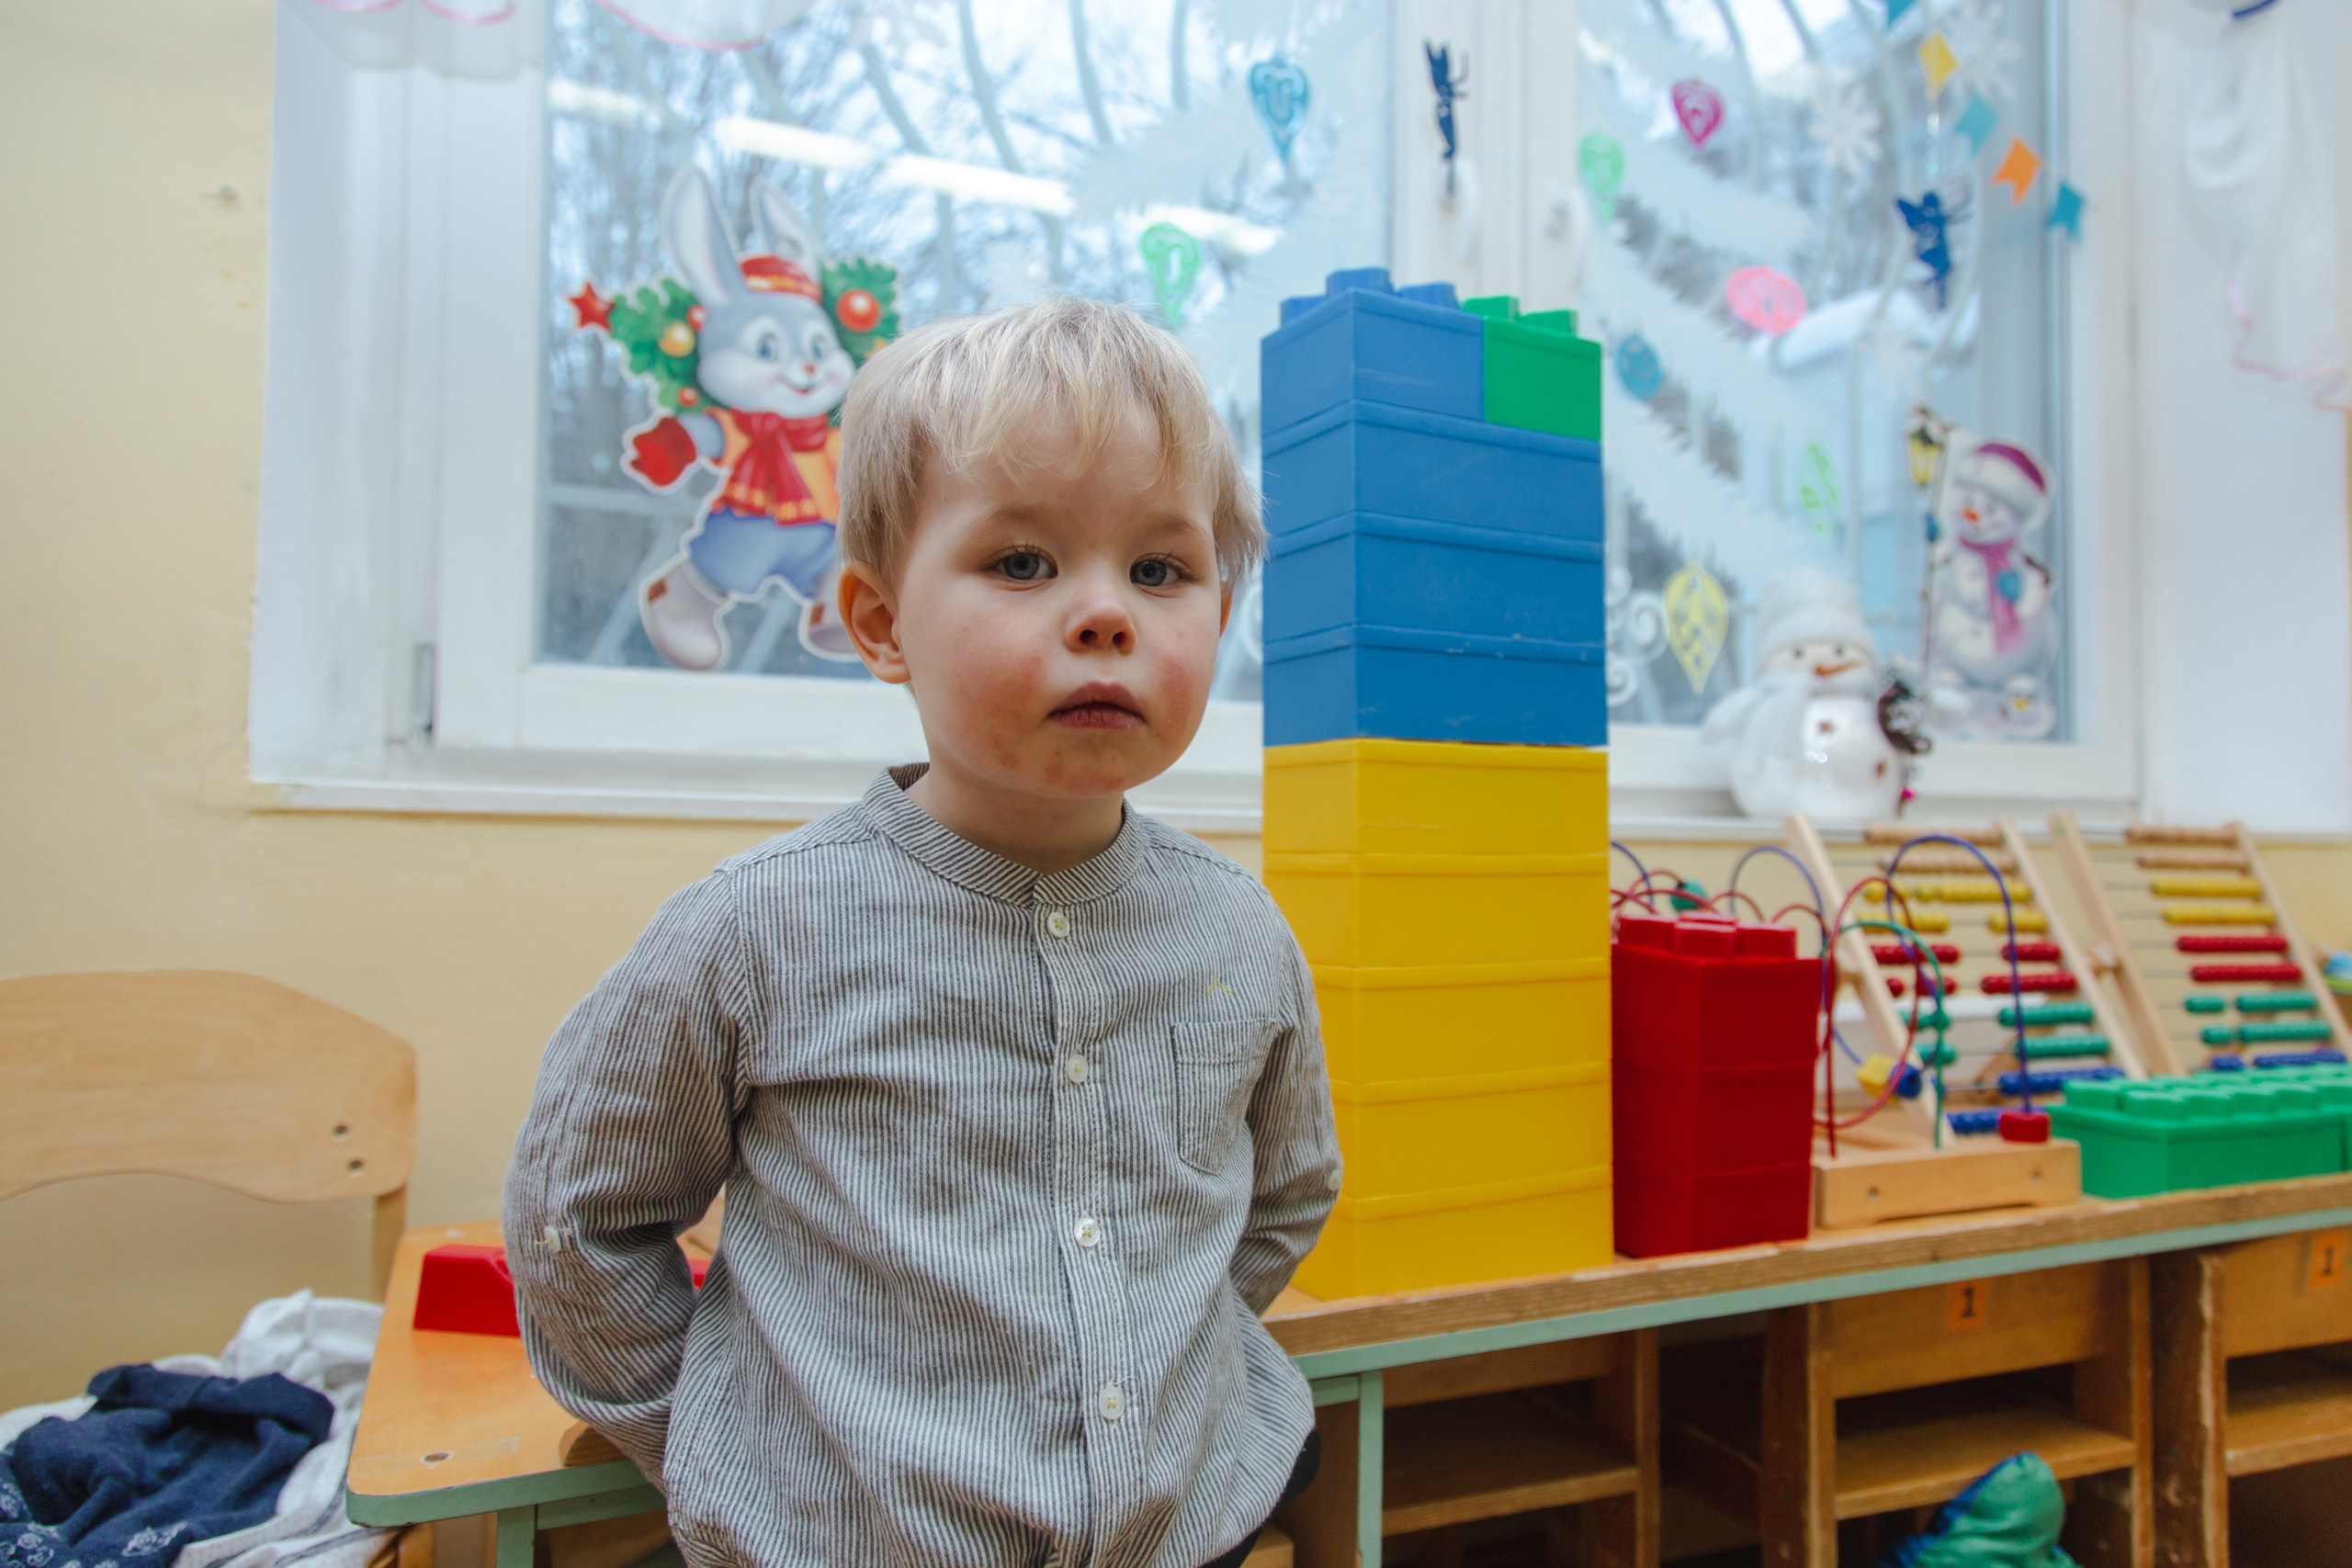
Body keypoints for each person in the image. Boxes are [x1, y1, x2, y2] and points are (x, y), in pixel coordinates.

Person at [503, 295, 1340, 1568]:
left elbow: (1281, 1191)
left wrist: (1164, 1357)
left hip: (1186, 1524)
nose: (1107, 613)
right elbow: (579, 1217)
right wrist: (727, 1433)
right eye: (1023, 563)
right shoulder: (757, 930)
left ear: (1219, 615)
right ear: (880, 623)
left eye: (1162, 570)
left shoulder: (1238, 928)